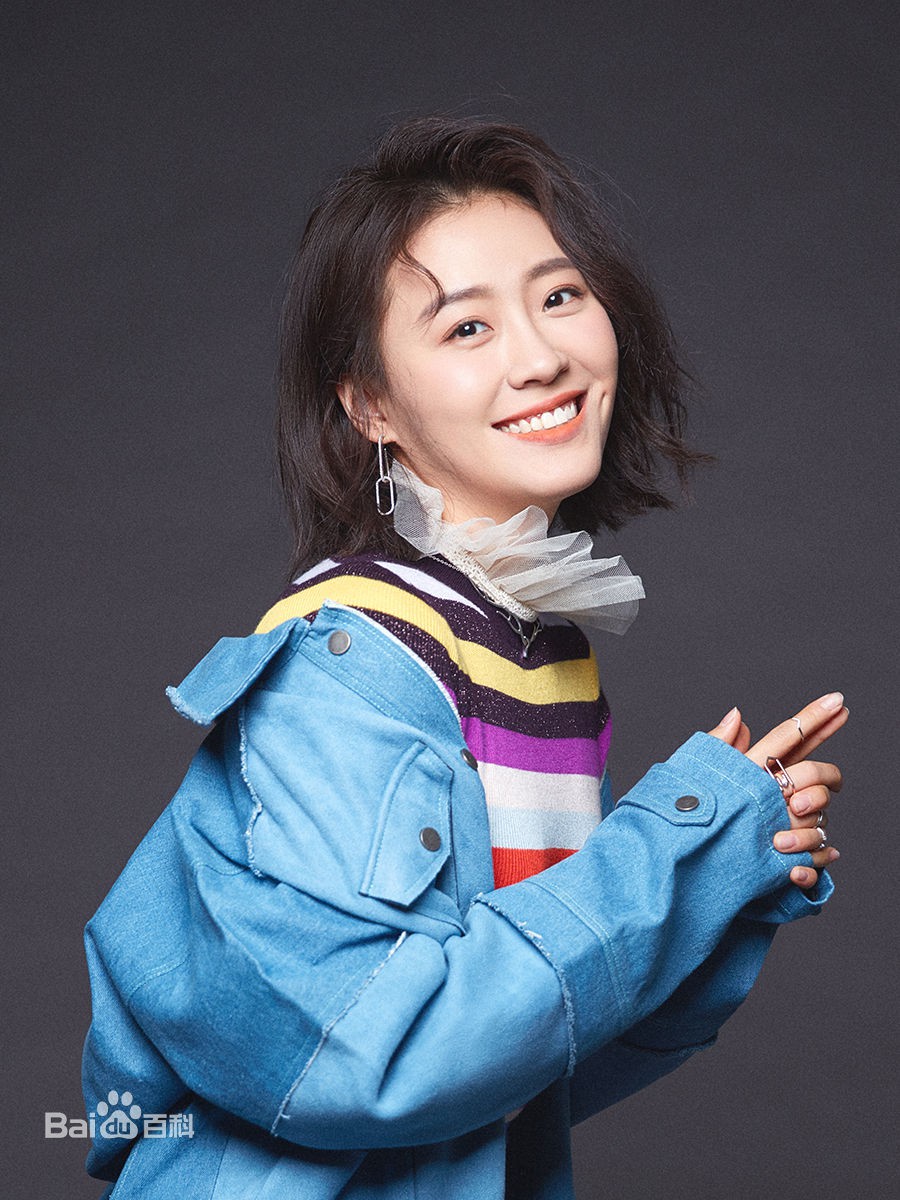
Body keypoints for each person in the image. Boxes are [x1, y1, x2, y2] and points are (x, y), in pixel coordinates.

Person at [82, 117, 847, 1200]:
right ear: (369, 403)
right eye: (467, 327)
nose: (541, 357)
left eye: (559, 296)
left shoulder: (538, 650)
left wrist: (725, 880)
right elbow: (365, 1059)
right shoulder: (356, 657)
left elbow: (517, 1066)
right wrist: (669, 849)